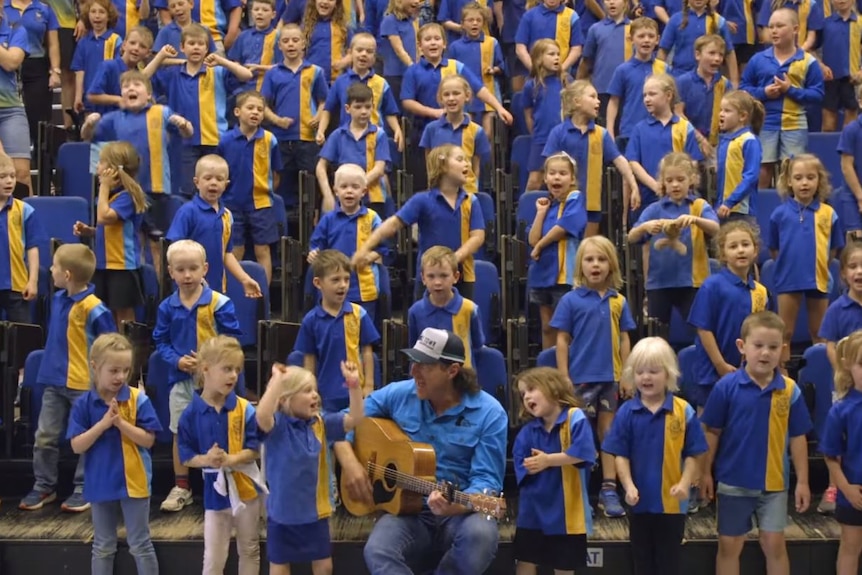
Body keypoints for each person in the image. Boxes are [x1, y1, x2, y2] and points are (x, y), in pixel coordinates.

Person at [336, 328, 508, 575]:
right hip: (410, 512)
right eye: (414, 362)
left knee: (480, 535)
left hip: (460, 513)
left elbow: (487, 482)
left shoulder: (490, 413)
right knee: (378, 549)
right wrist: (351, 464)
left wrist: (455, 506)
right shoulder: (399, 393)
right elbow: (343, 421)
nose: (414, 372)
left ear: (452, 370)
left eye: (425, 365)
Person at [700, 311, 812, 575]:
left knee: (774, 544)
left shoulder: (790, 390)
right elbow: (711, 432)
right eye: (758, 346)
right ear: (742, 347)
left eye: (773, 347)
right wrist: (705, 472)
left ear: (783, 351)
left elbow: (798, 437)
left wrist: (804, 482)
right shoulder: (725, 387)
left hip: (774, 484)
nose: (765, 353)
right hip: (733, 482)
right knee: (729, 545)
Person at [20, 244, 117, 512]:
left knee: (85, 438)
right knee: (45, 436)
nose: (49, 270)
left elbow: (111, 346)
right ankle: (44, 486)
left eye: (53, 266)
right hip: (53, 382)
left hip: (83, 386)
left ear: (67, 274)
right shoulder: (58, 299)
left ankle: (85, 487)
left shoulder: (96, 309)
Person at [602, 337, 708, 575]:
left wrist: (684, 482)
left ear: (668, 374)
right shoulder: (626, 412)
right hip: (639, 504)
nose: (646, 377)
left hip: (672, 506)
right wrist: (628, 486)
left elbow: (694, 454)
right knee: (642, 562)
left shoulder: (683, 411)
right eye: (640, 372)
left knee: (668, 562)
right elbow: (620, 455)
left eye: (653, 371)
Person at [153, 239, 243, 513]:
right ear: (170, 272)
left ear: (205, 268)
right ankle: (182, 486)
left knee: (221, 429)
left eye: (193, 268)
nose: (187, 275)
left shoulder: (220, 303)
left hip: (216, 382)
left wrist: (212, 363)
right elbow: (161, 341)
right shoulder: (167, 307)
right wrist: (177, 360)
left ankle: (225, 481)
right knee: (181, 431)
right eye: (180, 269)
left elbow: (233, 341)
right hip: (180, 380)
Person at [550, 235, 637, 518]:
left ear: (611, 265)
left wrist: (627, 373)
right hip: (580, 380)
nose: (595, 265)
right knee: (581, 435)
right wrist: (564, 377)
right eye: (589, 259)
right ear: (580, 266)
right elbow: (561, 340)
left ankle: (609, 490)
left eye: (601, 259)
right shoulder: (570, 300)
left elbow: (625, 339)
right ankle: (581, 491)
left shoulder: (618, 301)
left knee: (608, 433)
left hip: (610, 379)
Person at [256, 361, 364, 575]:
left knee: (324, 567)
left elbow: (356, 418)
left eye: (315, 390)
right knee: (279, 568)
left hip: (315, 514)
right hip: (281, 516)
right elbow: (261, 415)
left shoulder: (321, 423)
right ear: (286, 399)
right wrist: (276, 382)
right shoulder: (276, 426)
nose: (315, 395)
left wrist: (354, 385)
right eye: (307, 391)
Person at [67, 333, 161, 575]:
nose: (120, 377)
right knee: (103, 545)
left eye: (126, 370)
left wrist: (121, 424)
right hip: (100, 482)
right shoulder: (84, 404)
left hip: (134, 481)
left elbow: (149, 440)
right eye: (114, 370)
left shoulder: (138, 399)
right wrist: (103, 424)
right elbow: (77, 445)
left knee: (140, 543)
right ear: (95, 367)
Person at [81, 70, 194, 269]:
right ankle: (139, 279)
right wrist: (88, 124)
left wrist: (184, 124)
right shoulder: (114, 118)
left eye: (137, 85)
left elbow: (188, 132)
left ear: (149, 94)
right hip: (124, 192)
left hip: (155, 189)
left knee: (157, 243)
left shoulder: (161, 112)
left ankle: (158, 288)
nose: (131, 88)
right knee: (133, 240)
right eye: (126, 86)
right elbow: (87, 136)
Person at [351, 144, 485, 302]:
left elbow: (477, 236)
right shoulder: (422, 200)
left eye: (467, 160)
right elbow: (392, 224)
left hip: (463, 275)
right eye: (460, 159)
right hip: (429, 276)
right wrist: (364, 248)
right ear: (442, 165)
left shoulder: (471, 201)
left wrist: (454, 259)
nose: (467, 164)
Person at [177, 335, 262, 575]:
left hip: (247, 493)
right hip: (215, 497)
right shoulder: (191, 414)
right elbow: (186, 455)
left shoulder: (245, 408)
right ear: (205, 370)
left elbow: (254, 449)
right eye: (227, 369)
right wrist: (206, 460)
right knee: (214, 556)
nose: (233, 375)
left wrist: (231, 460)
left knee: (249, 548)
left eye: (237, 370)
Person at [145, 26, 254, 200]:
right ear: (182, 47)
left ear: (207, 48)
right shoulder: (174, 74)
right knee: (188, 191)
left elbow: (247, 75)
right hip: (184, 141)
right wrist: (161, 56)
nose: (196, 47)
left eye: (201, 44)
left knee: (215, 190)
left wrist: (222, 60)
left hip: (215, 138)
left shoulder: (217, 72)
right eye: (191, 44)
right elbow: (143, 79)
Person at [512, 366, 597, 575]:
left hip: (568, 514)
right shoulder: (527, 432)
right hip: (532, 512)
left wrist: (548, 460)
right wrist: (536, 464)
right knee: (525, 561)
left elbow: (585, 453)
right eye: (523, 394)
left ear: (554, 389)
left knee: (564, 566)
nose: (527, 397)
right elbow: (523, 466)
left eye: (532, 389)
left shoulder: (575, 417)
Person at [686, 220, 774, 416]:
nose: (740, 250)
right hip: (711, 374)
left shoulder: (760, 292)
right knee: (709, 429)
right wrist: (720, 365)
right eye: (733, 246)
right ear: (723, 254)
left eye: (745, 244)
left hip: (747, 373)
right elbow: (703, 329)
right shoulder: (712, 285)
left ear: (755, 249)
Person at [628, 152, 719, 332]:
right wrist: (644, 227)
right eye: (669, 180)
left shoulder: (699, 206)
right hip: (659, 283)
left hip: (692, 283)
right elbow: (631, 237)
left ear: (691, 179)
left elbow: (716, 229)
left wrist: (695, 220)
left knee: (700, 332)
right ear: (663, 182)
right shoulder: (654, 209)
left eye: (680, 179)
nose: (675, 185)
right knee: (657, 334)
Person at [769, 153, 844, 361]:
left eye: (811, 177)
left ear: (819, 180)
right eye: (799, 178)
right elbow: (774, 249)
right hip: (788, 278)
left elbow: (833, 249)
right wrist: (788, 265)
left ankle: (817, 375)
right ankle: (783, 375)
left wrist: (820, 266)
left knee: (819, 333)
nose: (804, 183)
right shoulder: (779, 214)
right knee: (785, 333)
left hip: (818, 278)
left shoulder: (829, 213)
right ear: (789, 182)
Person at [542, 80, 639, 237]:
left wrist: (634, 186)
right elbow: (548, 166)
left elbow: (620, 161)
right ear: (577, 102)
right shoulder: (558, 133)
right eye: (592, 96)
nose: (598, 101)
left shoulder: (601, 134)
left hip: (591, 207)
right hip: (562, 204)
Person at [740, 7, 824, 188]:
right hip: (765, 122)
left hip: (795, 123)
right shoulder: (758, 59)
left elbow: (817, 95)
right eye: (771, 27)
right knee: (763, 167)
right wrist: (763, 93)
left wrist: (790, 90)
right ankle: (761, 208)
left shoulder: (808, 61)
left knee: (794, 169)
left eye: (779, 26)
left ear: (795, 29)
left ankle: (792, 210)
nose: (774, 31)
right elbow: (743, 89)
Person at [165, 154, 263, 297]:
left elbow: (227, 254)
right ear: (197, 182)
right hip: (188, 289)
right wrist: (194, 277)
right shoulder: (187, 212)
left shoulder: (227, 216)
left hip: (216, 290)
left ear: (226, 184)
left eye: (219, 179)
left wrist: (244, 279)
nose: (213, 183)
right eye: (208, 178)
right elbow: (175, 251)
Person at [72, 141, 148, 327]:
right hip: (104, 263)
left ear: (113, 170)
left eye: (101, 163)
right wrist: (89, 231)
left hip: (122, 265)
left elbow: (104, 217)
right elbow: (109, 228)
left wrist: (104, 187)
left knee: (123, 313)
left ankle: (127, 349)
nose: (97, 167)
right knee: (107, 311)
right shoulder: (111, 197)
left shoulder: (126, 197)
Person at [294, 249, 380, 408]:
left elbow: (367, 352)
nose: (343, 285)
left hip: (356, 393)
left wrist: (369, 385)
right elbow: (309, 360)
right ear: (318, 283)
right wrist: (310, 390)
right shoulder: (310, 321)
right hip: (326, 395)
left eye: (346, 279)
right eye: (335, 280)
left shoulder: (359, 314)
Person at [216, 90, 283, 286]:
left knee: (263, 250)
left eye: (260, 109)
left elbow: (276, 174)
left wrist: (264, 191)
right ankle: (234, 294)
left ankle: (264, 296)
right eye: (250, 108)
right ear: (237, 112)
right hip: (231, 205)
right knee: (235, 250)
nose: (256, 112)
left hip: (261, 204)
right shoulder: (225, 140)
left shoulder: (270, 140)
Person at [261, 23, 329, 211]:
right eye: (285, 41)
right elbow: (263, 105)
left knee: (309, 186)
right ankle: (284, 229)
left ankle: (310, 226)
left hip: (307, 139)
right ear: (279, 46)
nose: (291, 44)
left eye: (295, 40)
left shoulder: (315, 71)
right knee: (282, 185)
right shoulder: (273, 73)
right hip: (281, 139)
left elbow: (325, 101)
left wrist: (318, 114)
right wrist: (276, 120)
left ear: (303, 44)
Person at [308, 164, 388, 322]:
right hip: (332, 288)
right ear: (336, 191)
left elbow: (383, 249)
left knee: (362, 331)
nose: (349, 191)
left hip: (364, 288)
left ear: (364, 191)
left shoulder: (372, 218)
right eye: (344, 187)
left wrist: (368, 257)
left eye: (355, 187)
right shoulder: (328, 219)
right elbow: (317, 246)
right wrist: (313, 253)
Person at [817, 243, 862, 515]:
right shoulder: (837, 308)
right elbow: (830, 343)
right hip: (846, 385)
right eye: (853, 266)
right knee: (840, 438)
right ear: (843, 273)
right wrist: (842, 371)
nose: (860, 271)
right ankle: (835, 487)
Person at [526, 153, 587, 349]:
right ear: (545, 178)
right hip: (542, 274)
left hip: (565, 277)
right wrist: (540, 214)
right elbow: (532, 239)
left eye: (562, 173)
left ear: (572, 179)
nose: (557, 177)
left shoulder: (575, 198)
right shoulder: (546, 205)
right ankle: (548, 371)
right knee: (547, 327)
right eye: (552, 173)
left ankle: (565, 370)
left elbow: (564, 227)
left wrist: (540, 245)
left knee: (565, 328)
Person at [626, 73, 703, 218]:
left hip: (679, 199)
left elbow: (693, 162)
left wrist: (675, 185)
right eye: (644, 95)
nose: (647, 99)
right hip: (648, 198)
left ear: (668, 95)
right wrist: (655, 185)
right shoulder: (639, 129)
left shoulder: (684, 127)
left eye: (652, 94)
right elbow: (633, 162)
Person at [820, 330, 862, 575]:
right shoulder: (842, 410)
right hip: (853, 492)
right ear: (848, 366)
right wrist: (846, 489)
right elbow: (831, 456)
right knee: (850, 546)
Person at [317, 82, 392, 215]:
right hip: (344, 198)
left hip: (372, 199)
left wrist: (357, 188)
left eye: (367, 107)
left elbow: (379, 169)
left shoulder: (378, 135)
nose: (363, 111)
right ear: (347, 108)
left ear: (373, 108)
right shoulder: (338, 135)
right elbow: (321, 167)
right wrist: (328, 195)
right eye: (358, 107)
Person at [318, 32, 403, 149]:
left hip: (374, 139)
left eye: (369, 52)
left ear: (374, 56)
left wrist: (397, 130)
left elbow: (389, 111)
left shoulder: (381, 83)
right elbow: (328, 109)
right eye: (359, 50)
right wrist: (321, 130)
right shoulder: (340, 82)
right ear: (350, 53)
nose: (364, 54)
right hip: (347, 139)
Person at [408, 245, 485, 368]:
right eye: (431, 276)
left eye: (444, 276)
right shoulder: (415, 312)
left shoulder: (470, 309)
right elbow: (414, 349)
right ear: (423, 278)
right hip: (428, 378)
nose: (437, 282)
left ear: (456, 277)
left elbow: (477, 345)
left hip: (462, 379)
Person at [419, 74, 491, 195]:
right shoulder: (431, 129)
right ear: (440, 99)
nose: (451, 98)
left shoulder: (476, 131)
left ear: (467, 96)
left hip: (467, 193)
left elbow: (476, 167)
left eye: (456, 93)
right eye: (446, 94)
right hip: (438, 193)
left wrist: (472, 191)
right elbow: (429, 165)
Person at [3, 0, 61, 149]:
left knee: (39, 117)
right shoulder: (3, 5)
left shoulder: (44, 9)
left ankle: (41, 158)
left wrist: (55, 70)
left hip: (36, 64)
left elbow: (53, 43)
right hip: (7, 64)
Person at [606, 17, 670, 149]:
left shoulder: (664, 69)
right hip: (630, 131)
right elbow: (613, 102)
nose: (646, 40)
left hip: (660, 129)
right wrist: (610, 131)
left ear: (657, 40)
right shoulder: (623, 70)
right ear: (631, 39)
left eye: (651, 36)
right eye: (641, 36)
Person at [446, 2, 505, 141]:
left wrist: (494, 69)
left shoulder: (492, 42)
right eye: (470, 20)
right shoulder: (455, 46)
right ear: (462, 23)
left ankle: (487, 162)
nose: (475, 24)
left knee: (487, 134)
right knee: (468, 133)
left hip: (488, 91)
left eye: (479, 20)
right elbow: (450, 69)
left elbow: (501, 66)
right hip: (465, 95)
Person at [674, 35, 734, 161]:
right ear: (698, 55)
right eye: (711, 53)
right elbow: (678, 113)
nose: (717, 59)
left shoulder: (725, 84)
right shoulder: (683, 82)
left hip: (717, 144)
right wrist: (700, 139)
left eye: (720, 55)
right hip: (689, 142)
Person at [0, 152, 42, 323]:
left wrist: (32, 281)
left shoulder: (25, 210)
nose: (9, 181)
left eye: (12, 176)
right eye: (2, 177)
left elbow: (32, 248)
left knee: (21, 335)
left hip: (17, 286)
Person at [657, 0, 738, 84]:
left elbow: (729, 53)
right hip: (678, 77)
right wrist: (660, 79)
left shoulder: (719, 21)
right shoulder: (675, 20)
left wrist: (735, 81)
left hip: (710, 79)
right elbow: (663, 51)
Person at [577, 0, 631, 124]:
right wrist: (578, 87)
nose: (611, 2)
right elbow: (586, 62)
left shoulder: (633, 28)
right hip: (603, 90)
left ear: (625, 2)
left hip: (628, 90)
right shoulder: (595, 29)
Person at [714, 90, 764, 222]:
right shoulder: (724, 140)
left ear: (742, 116)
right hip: (722, 208)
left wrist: (731, 201)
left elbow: (751, 176)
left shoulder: (749, 140)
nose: (721, 114)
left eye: (727, 111)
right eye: (721, 110)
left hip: (741, 211)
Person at [522, 39, 564, 193]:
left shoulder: (566, 82)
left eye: (558, 54)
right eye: (551, 54)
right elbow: (528, 115)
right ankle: (526, 215)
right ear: (539, 58)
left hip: (564, 138)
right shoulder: (530, 85)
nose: (557, 58)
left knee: (564, 181)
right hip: (541, 139)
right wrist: (536, 135)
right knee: (535, 181)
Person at [0, 9, 34, 194]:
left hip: (11, 109)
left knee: (21, 173)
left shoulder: (16, 29)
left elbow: (12, 62)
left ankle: (27, 220)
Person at [86, 26, 154, 114]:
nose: (136, 48)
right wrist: (118, 100)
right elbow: (92, 96)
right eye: (132, 43)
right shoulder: (108, 66)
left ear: (148, 53)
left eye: (142, 46)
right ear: (124, 45)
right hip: (107, 123)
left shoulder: (139, 75)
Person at [819, 0, 861, 132]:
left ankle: (850, 151)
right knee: (828, 123)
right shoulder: (824, 24)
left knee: (851, 122)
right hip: (830, 79)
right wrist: (821, 66)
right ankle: (826, 152)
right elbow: (811, 50)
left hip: (852, 79)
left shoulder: (859, 23)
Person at [514, 0, 583, 75]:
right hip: (534, 74)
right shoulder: (529, 16)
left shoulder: (571, 16)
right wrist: (533, 69)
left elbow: (576, 49)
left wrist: (562, 69)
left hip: (562, 73)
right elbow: (520, 48)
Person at [227, 0, 280, 93]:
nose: (260, 13)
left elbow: (283, 66)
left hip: (269, 89)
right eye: (256, 9)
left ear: (273, 14)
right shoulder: (243, 36)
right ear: (251, 13)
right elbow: (234, 62)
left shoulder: (278, 36)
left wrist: (259, 67)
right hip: (245, 90)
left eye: (265, 10)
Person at [379, 0, 420, 102]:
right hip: (395, 75)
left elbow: (418, 46)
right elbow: (399, 49)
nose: (417, 1)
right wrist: (413, 67)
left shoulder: (414, 21)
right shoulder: (390, 20)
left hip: (412, 73)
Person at [301, 0, 351, 84]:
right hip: (311, 79)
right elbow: (299, 53)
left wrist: (344, 62)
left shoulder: (343, 27)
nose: (325, 2)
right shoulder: (305, 27)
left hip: (335, 80)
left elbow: (353, 50)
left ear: (336, 4)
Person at [835, 84, 862, 238]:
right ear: (860, 101)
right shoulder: (852, 130)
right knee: (856, 243)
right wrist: (860, 196)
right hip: (853, 195)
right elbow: (846, 166)